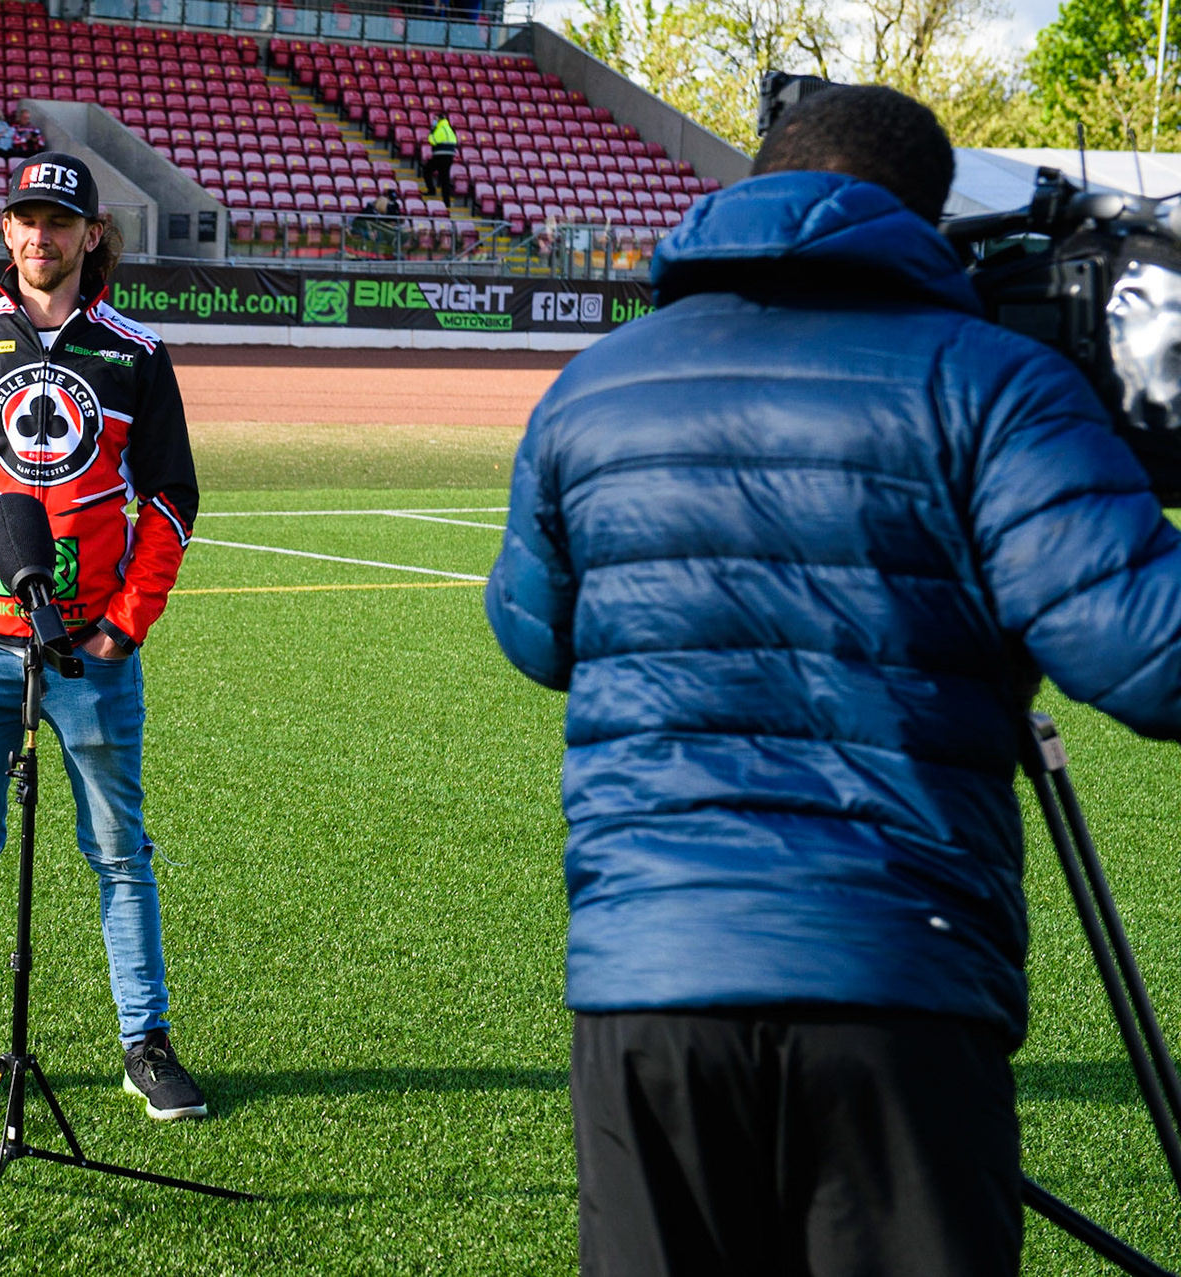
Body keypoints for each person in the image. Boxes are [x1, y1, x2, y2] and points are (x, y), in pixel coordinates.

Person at [486, 85, 1181, 1276]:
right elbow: (1155, 655)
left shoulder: (590, 387)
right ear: (926, 214)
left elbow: (534, 635)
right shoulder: (989, 381)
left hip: (648, 972)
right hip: (895, 970)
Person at [0, 151, 206, 1122]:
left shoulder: (137, 354)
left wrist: (125, 624)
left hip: (91, 654)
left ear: (91, 234)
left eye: (58, 222)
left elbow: (174, 500)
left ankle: (144, 1043)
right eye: (25, 219)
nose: (39, 236)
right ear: (7, 228)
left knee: (118, 851)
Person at [422, 111, 457, 204]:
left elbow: (432, 140)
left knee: (426, 169)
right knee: (445, 178)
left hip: (439, 156)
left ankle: (431, 190)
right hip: (449, 156)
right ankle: (447, 201)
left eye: (435, 119)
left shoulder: (440, 129)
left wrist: (432, 131)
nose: (434, 121)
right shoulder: (449, 129)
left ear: (440, 120)